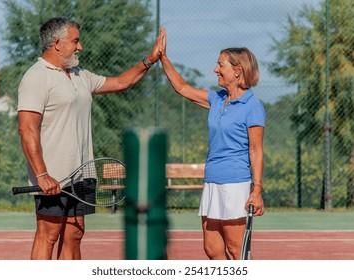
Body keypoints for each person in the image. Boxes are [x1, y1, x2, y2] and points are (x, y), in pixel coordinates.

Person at [17, 17, 164, 260]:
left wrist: (150, 59)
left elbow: (121, 82)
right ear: (57, 43)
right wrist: (42, 175)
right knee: (49, 235)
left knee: (75, 234)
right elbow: (27, 130)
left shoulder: (79, 75)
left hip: (83, 173)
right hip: (53, 176)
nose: (80, 47)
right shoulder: (36, 77)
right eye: (75, 41)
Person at [159, 28, 265, 260]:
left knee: (237, 251)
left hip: (235, 184)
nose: (215, 69)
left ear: (237, 71)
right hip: (212, 181)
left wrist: (256, 190)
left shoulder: (252, 106)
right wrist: (163, 58)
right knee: (212, 249)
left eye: (220, 65)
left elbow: (256, 150)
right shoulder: (217, 99)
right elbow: (182, 88)